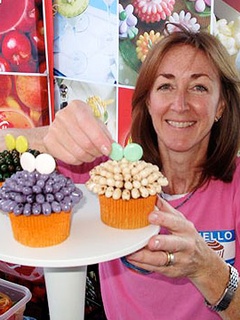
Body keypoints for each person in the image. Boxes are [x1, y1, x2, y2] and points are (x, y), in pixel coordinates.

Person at [0, 25, 240, 319]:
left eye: (199, 87)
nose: (180, 104)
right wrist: (45, 137)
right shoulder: (106, 174)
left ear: (221, 107)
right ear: (148, 101)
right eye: (165, 86)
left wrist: (207, 268)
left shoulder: (236, 186)